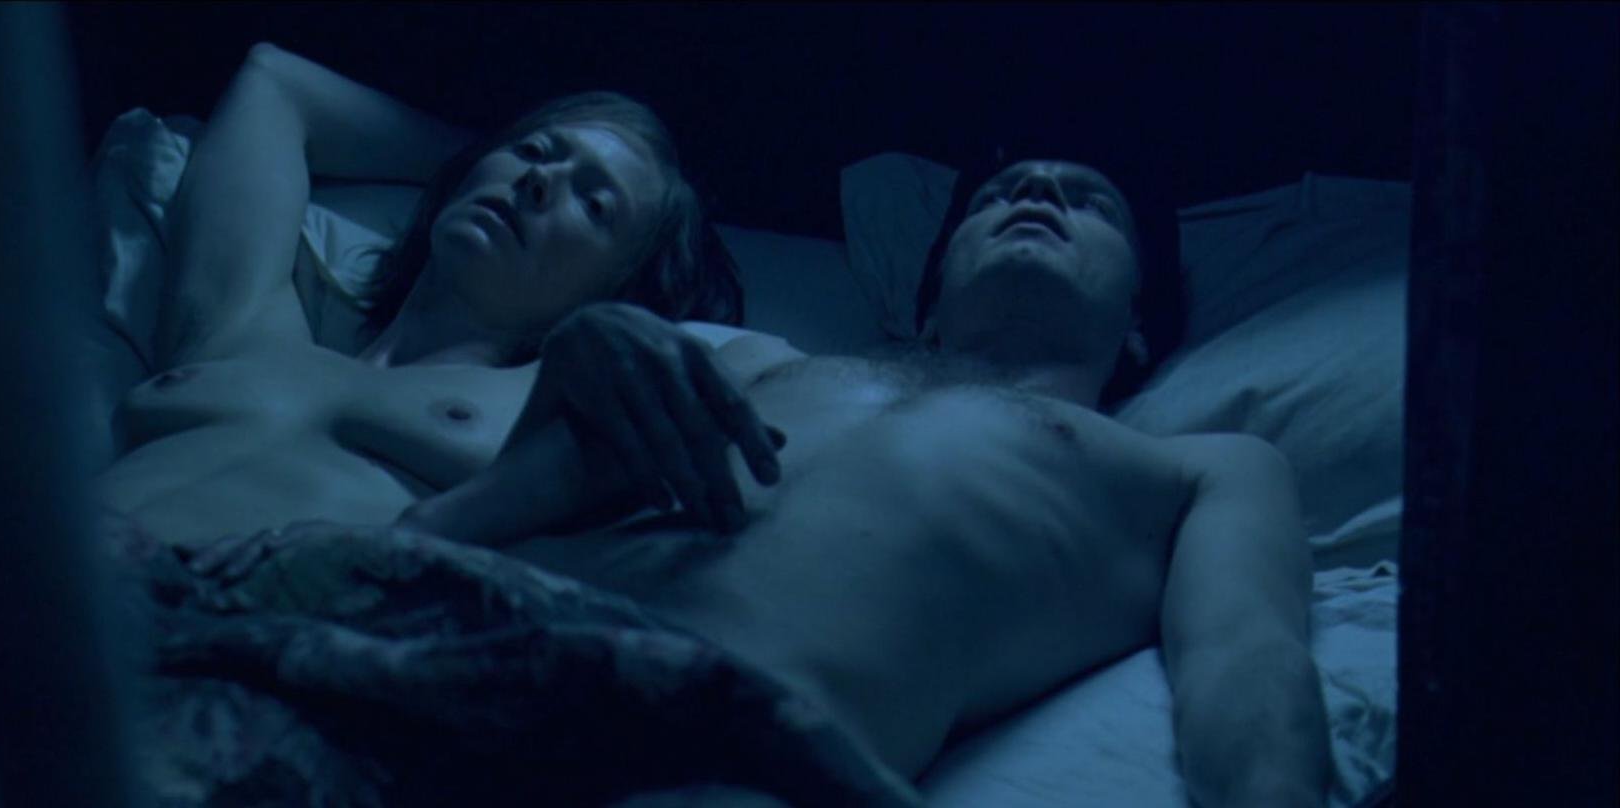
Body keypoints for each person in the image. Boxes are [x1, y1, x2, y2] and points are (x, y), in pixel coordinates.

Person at [398, 159, 1332, 808]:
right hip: (427, 672)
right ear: (929, 301)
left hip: (702, 751)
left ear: (1138, 325)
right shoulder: (745, 362)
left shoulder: (1197, 469)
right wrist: (567, 374)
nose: (1038, 191)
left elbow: (1244, 661)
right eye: (997, 195)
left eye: (1093, 205)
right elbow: (430, 538)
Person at [96, 43, 748, 550]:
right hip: (59, 600)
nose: (538, 178)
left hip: (236, 640)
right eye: (533, 150)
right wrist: (477, 156)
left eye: (595, 202)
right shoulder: (243, 331)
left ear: (624, 293)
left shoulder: (552, 415)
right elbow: (275, 82)